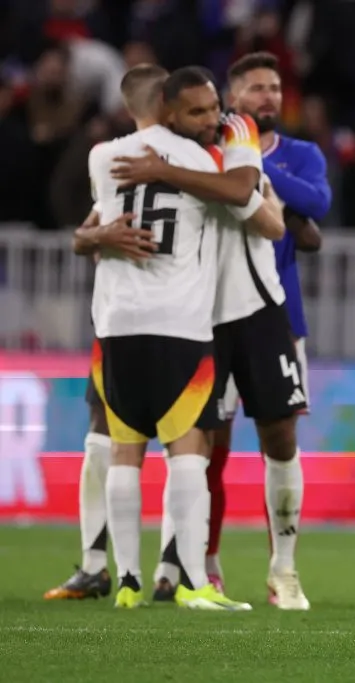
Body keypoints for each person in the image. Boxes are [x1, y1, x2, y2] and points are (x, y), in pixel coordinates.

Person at [112, 66, 311, 611]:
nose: (208, 117)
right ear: (169, 111)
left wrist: (168, 174)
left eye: (211, 107)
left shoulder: (236, 130)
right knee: (194, 442)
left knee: (279, 436)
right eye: (195, 110)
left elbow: (256, 205)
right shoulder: (151, 148)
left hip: (257, 307)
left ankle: (283, 571)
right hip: (193, 316)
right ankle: (188, 567)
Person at [195, 51, 329, 601]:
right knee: (208, 445)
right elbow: (301, 217)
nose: (268, 96)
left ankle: (283, 570)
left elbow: (318, 202)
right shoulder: (202, 149)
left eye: (274, 87)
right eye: (256, 88)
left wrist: (250, 162)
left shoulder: (301, 153)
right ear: (232, 97)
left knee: (281, 439)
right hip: (209, 314)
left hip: (278, 317)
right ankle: (203, 563)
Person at [43, 65, 170, 602]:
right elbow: (82, 232)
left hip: (188, 321)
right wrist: (98, 235)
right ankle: (97, 564)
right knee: (103, 433)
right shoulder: (113, 159)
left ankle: (173, 572)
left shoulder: (200, 161)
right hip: (120, 320)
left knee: (189, 445)